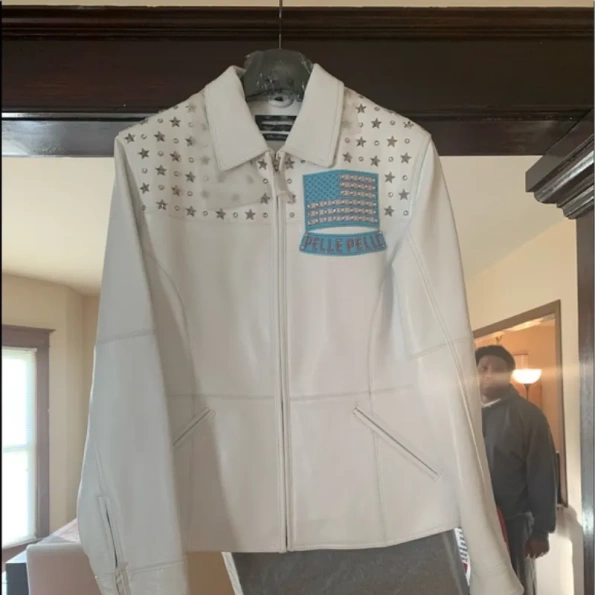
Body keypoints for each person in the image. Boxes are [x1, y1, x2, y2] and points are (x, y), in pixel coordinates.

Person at [476, 344, 557, 595]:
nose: (489, 374)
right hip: (472, 523)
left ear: (509, 374)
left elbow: (542, 474)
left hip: (513, 523)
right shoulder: (463, 415)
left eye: (497, 369)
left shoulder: (528, 416)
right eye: (483, 368)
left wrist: (541, 531)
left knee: (514, 586)